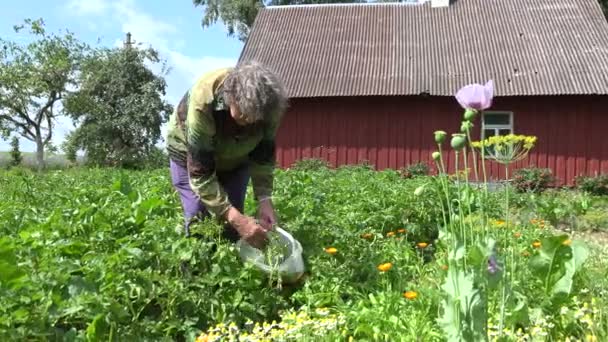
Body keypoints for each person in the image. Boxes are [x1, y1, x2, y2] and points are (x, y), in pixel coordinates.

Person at [165, 61, 288, 249]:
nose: (248, 122)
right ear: (232, 98)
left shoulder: (270, 107)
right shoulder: (204, 100)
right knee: (198, 215)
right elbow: (201, 173)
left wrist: (264, 200)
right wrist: (235, 218)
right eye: (244, 115)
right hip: (189, 153)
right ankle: (195, 269)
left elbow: (263, 156)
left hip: (237, 158)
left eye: (255, 118)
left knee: (234, 219)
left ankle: (232, 264)